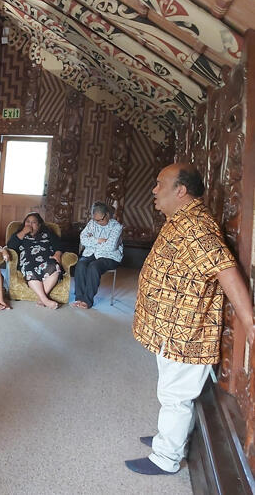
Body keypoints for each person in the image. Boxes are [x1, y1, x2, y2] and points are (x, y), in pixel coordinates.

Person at [126, 163, 255, 476]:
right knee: (169, 390)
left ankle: (166, 457)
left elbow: (226, 271)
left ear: (180, 190)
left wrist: (251, 325)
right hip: (169, 329)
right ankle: (165, 437)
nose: (154, 190)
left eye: (160, 184)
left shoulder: (196, 225)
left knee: (175, 396)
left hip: (186, 334)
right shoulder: (182, 218)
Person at [72, 202, 123, 309]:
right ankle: (79, 298)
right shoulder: (92, 223)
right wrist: (99, 240)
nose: (98, 222)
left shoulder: (116, 227)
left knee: (93, 266)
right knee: (80, 264)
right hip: (91, 253)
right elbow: (83, 239)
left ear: (108, 215)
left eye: (101, 220)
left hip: (110, 256)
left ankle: (87, 300)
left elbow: (111, 247)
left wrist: (92, 241)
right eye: (96, 220)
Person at [6, 212, 63, 309]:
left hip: (46, 260)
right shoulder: (19, 234)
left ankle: (41, 299)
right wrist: (23, 232)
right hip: (28, 261)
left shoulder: (47, 233)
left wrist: (58, 253)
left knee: (55, 267)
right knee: (29, 270)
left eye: (33, 222)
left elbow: (59, 245)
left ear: (39, 225)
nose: (29, 224)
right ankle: (45, 300)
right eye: (27, 222)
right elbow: (10, 246)